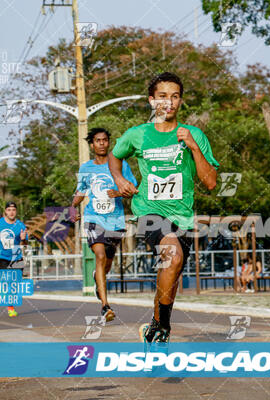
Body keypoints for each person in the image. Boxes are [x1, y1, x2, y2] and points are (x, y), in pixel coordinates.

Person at [108, 72, 219, 345]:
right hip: (149, 210)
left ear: (180, 100)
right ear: (151, 101)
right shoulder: (138, 135)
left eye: (174, 96)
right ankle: (161, 327)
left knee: (172, 271)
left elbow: (211, 182)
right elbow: (115, 155)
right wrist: (120, 179)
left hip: (182, 215)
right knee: (172, 253)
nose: (168, 103)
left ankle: (155, 330)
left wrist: (193, 147)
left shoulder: (194, 135)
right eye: (162, 97)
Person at [72, 127, 137, 322]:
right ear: (92, 144)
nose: (101, 143)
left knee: (108, 261)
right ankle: (105, 306)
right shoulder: (86, 168)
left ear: (109, 143)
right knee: (99, 256)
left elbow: (133, 187)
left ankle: (96, 278)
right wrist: (73, 206)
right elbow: (81, 191)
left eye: (104, 140)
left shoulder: (120, 164)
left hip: (115, 220)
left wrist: (118, 192)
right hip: (93, 218)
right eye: (97, 141)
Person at [0, 201, 27, 317]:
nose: (11, 212)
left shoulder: (20, 225)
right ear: (5, 212)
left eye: (13, 210)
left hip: (17, 256)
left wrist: (23, 239)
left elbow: (25, 243)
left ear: (16, 212)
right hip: (2, 256)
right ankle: (10, 308)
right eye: (9, 210)